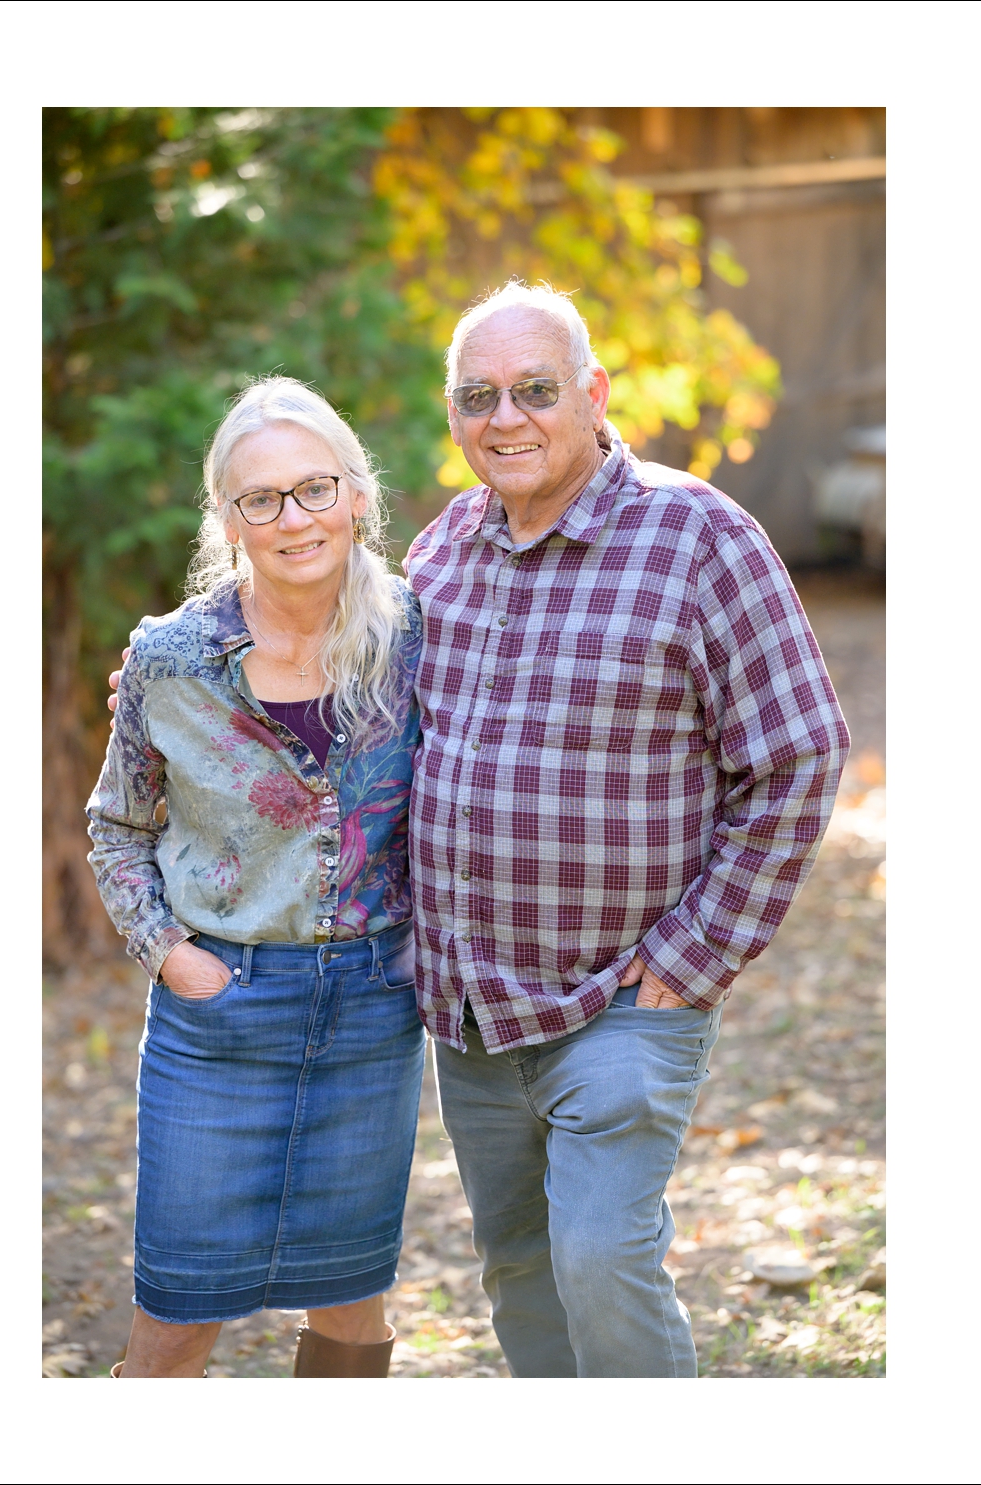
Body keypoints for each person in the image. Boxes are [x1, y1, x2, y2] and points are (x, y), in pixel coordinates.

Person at [397, 282, 848, 1376]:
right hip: (469, 1011)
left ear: (592, 394)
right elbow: (348, 712)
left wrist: (689, 961)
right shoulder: (438, 553)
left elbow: (797, 754)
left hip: (622, 1001)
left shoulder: (697, 537)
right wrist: (177, 669)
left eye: (533, 390)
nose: (504, 418)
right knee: (516, 1268)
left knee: (598, 1258)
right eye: (477, 396)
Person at [89, 376, 425, 1377]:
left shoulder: (418, 638)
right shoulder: (168, 657)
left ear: (357, 495)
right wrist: (170, 956)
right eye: (260, 500)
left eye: (314, 489)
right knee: (178, 1313)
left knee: (350, 1308)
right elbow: (115, 828)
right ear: (227, 521)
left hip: (371, 1013)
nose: (293, 519)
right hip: (217, 1018)